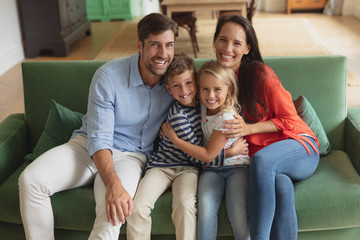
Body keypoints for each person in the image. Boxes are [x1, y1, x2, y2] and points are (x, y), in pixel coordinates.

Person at [18, 13, 179, 240]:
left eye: (169, 45)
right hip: (87, 146)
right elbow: (99, 137)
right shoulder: (108, 76)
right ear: (140, 45)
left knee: (113, 212)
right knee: (31, 181)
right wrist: (113, 183)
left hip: (132, 156)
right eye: (155, 45)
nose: (163, 54)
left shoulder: (177, 81)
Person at [213, 15, 320, 240]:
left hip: (299, 146)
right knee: (281, 186)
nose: (227, 48)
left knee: (263, 160)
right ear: (215, 42)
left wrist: (249, 129)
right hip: (268, 165)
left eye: (236, 43)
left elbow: (289, 119)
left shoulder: (260, 74)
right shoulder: (213, 81)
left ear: (247, 48)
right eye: (222, 40)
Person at [162, 60, 250, 240]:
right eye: (205, 89)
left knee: (237, 213)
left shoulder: (227, 117)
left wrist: (175, 140)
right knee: (205, 210)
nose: (210, 95)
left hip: (236, 168)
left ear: (229, 90)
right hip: (211, 170)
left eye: (217, 89)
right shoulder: (203, 105)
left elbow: (208, 155)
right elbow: (183, 92)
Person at [126, 52, 203, 240]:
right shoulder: (177, 116)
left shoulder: (206, 106)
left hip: (187, 170)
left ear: (196, 81)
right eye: (176, 85)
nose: (184, 90)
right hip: (161, 167)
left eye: (188, 83)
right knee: (138, 209)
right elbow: (198, 156)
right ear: (169, 89)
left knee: (185, 205)